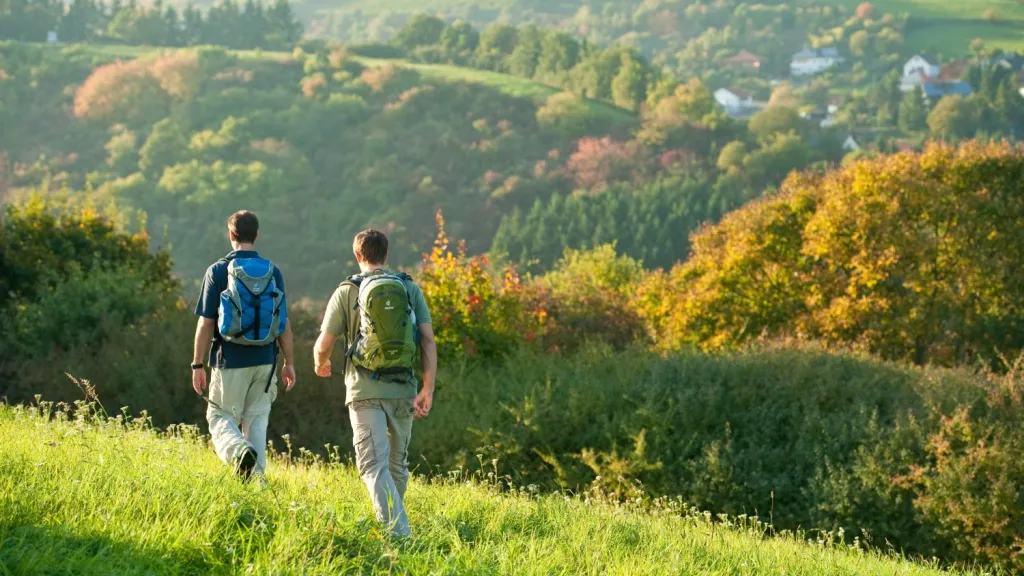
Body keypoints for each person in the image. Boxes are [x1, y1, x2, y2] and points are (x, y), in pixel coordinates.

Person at [314, 229, 436, 538]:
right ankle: (395, 526)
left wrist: (320, 363)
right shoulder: (409, 288)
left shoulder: (347, 291)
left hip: (364, 388)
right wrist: (427, 388)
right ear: (386, 255)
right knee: (396, 465)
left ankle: (399, 535)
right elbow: (427, 340)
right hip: (405, 388)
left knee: (372, 465)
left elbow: (324, 343)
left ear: (358, 256)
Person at [191, 210, 296, 481]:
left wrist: (197, 364)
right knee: (257, 422)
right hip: (266, 360)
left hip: (230, 358)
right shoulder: (274, 272)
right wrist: (289, 363)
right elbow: (283, 323)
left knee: (219, 416)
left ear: (231, 235)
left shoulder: (217, 270)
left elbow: (206, 323)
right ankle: (256, 487)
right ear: (256, 236)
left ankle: (238, 452)